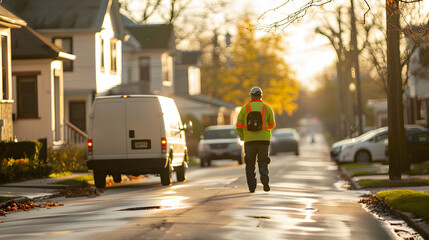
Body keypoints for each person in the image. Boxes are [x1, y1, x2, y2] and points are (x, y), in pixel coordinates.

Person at [236, 87, 276, 192]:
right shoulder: (267, 108)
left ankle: (252, 186)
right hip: (263, 141)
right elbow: (272, 125)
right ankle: (264, 177)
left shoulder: (245, 108)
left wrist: (242, 137)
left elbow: (238, 126)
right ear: (261, 96)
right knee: (263, 161)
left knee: (250, 163)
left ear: (251, 95)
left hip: (249, 141)